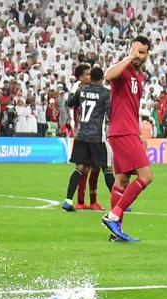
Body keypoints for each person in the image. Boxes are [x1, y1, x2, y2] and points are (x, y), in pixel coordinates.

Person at [101, 36, 153, 242]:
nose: (137, 56)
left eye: (141, 52)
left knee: (121, 181)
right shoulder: (123, 71)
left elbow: (133, 108)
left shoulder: (140, 78)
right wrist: (128, 57)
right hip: (122, 131)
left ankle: (116, 232)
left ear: (147, 55)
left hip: (129, 130)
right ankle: (113, 216)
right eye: (134, 51)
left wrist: (140, 132)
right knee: (146, 176)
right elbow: (107, 75)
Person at [62, 67, 115, 212]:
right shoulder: (106, 93)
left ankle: (68, 200)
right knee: (107, 168)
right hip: (97, 136)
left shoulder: (82, 90)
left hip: (81, 135)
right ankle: (119, 203)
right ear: (103, 78)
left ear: (91, 78)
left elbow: (70, 103)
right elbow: (111, 114)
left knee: (79, 168)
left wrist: (74, 88)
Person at [69, 64, 103, 210]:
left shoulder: (93, 91)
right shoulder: (79, 91)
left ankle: (93, 201)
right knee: (84, 169)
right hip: (84, 134)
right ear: (81, 77)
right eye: (87, 74)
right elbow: (70, 104)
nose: (90, 77)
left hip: (95, 134)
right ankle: (81, 201)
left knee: (95, 168)